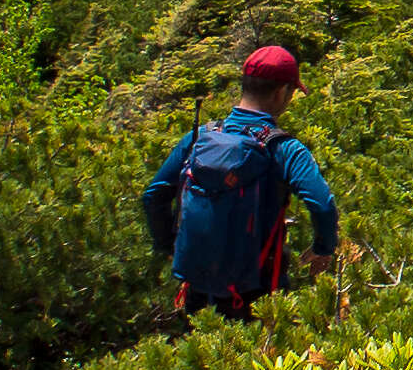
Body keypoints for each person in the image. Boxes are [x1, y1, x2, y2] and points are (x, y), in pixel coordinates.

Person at [143, 45, 340, 316]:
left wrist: (170, 245)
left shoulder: (199, 137)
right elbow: (322, 204)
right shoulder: (284, 148)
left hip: (198, 289)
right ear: (282, 91)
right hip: (258, 296)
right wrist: (323, 248)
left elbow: (153, 195)